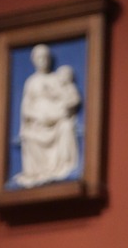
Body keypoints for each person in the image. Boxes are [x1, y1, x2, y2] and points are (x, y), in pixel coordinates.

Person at [13, 45, 82, 187]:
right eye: (39, 58)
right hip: (38, 122)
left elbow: (69, 98)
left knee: (66, 127)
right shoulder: (31, 82)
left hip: (57, 121)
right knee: (29, 135)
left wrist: (58, 111)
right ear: (34, 61)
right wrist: (37, 117)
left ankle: (64, 167)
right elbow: (26, 107)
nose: (43, 61)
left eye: (45, 57)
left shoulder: (56, 78)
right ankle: (36, 173)